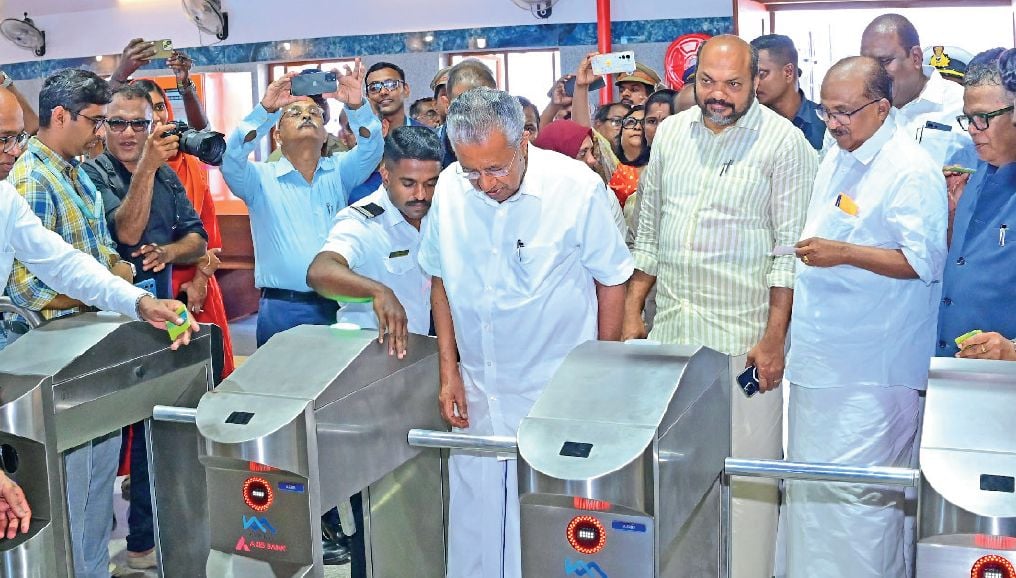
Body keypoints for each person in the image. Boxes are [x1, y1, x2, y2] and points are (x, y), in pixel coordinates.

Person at [622, 35, 817, 578]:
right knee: (673, 477)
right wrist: (635, 308)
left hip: (744, 345)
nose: (719, 95)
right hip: (674, 335)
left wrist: (775, 339)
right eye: (708, 81)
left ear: (756, 80)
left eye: (733, 85)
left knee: (748, 486)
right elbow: (652, 232)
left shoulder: (785, 145)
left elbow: (789, 255)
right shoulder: (672, 136)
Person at [418, 88, 633, 578]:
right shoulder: (452, 188)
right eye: (472, 170)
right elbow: (440, 280)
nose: (485, 184)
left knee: (545, 523)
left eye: (496, 169)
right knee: (474, 521)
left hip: (554, 388)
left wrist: (602, 378)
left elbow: (613, 279)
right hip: (478, 386)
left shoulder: (575, 187)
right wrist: (448, 370)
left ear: (524, 143)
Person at [3, 69, 198, 577]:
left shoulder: (7, 196)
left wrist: (137, 302)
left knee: (84, 497)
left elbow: (63, 262)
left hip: (82, 354)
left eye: (16, 136)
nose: (13, 149)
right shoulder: (28, 178)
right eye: (4, 138)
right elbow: (30, 289)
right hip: (39, 357)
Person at [784, 56, 947, 578]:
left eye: (844, 112)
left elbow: (924, 262)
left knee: (860, 508)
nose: (833, 124)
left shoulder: (908, 168)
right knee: (813, 497)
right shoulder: (837, 151)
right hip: (821, 361)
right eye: (826, 111)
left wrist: (845, 253)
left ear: (881, 107)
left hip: (873, 374)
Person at [81, 83, 209, 573]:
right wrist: (149, 170)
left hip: (164, 315)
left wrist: (170, 253)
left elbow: (195, 240)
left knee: (165, 427)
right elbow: (126, 233)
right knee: (115, 438)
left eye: (140, 123)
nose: (131, 133)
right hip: (113, 322)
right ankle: (107, 548)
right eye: (118, 123)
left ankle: (152, 538)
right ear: (103, 127)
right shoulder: (92, 174)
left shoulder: (169, 175)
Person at [221, 60, 382, 348]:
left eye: (314, 114)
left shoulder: (339, 171)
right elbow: (230, 158)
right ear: (278, 136)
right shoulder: (258, 179)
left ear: (324, 135)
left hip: (338, 304)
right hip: (284, 307)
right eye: (294, 113)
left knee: (336, 388)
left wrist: (358, 107)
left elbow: (372, 150)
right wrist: (266, 110)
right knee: (281, 387)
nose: (306, 116)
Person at [308, 125, 443, 354]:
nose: (421, 195)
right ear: (386, 175)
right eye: (409, 184)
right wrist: (378, 292)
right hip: (368, 359)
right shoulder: (362, 222)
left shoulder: (438, 214)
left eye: (431, 183)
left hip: (418, 354)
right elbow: (319, 272)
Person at [936, 49, 1016, 362]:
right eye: (968, 119)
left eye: (983, 118)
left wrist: (1012, 350)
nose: (972, 129)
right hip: (955, 371)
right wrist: (952, 218)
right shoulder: (970, 165)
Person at [860, 14, 976, 168]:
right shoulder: (859, 110)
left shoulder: (961, 105)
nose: (874, 72)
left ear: (915, 57)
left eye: (884, 61)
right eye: (867, 64)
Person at [750, 34, 825, 150]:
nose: (754, 83)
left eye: (761, 74)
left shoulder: (825, 124)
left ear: (788, 72)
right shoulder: (748, 124)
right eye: (750, 76)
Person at [435, 59, 498, 168]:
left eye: (482, 105)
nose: (473, 116)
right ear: (447, 105)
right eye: (465, 106)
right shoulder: (427, 149)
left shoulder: (507, 146)